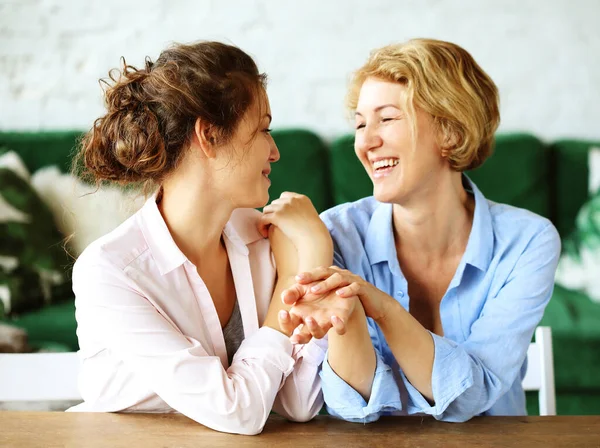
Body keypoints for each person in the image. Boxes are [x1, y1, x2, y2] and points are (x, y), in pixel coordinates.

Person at [277, 38, 561, 422]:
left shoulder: (528, 242)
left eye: (387, 118)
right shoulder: (337, 234)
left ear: (450, 131)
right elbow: (352, 407)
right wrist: (350, 316)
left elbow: (472, 396)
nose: (365, 141)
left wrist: (386, 310)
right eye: (360, 123)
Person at [66, 41, 336, 435]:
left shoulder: (258, 236)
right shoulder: (111, 271)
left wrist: (312, 257)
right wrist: (295, 274)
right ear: (208, 135)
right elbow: (238, 412)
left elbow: (297, 403)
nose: (275, 151)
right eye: (263, 129)